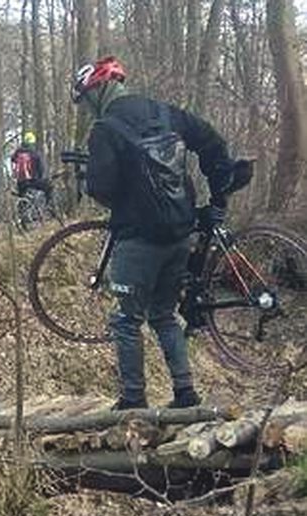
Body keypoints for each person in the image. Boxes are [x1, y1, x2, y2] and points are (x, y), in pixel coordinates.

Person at [72, 56, 235, 410]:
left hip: (138, 238)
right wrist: (218, 185)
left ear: (97, 92)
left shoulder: (105, 129)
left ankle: (133, 400)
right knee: (163, 315)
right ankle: (185, 393)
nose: (86, 108)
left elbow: (102, 188)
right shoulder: (164, 112)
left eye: (86, 99)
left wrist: (107, 183)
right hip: (181, 232)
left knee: (126, 320)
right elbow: (210, 140)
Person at [11, 131, 52, 202]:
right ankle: (49, 208)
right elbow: (41, 169)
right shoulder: (35, 154)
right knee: (49, 186)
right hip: (32, 182)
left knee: (23, 197)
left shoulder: (17, 154)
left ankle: (22, 209)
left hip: (20, 184)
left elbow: (13, 161)